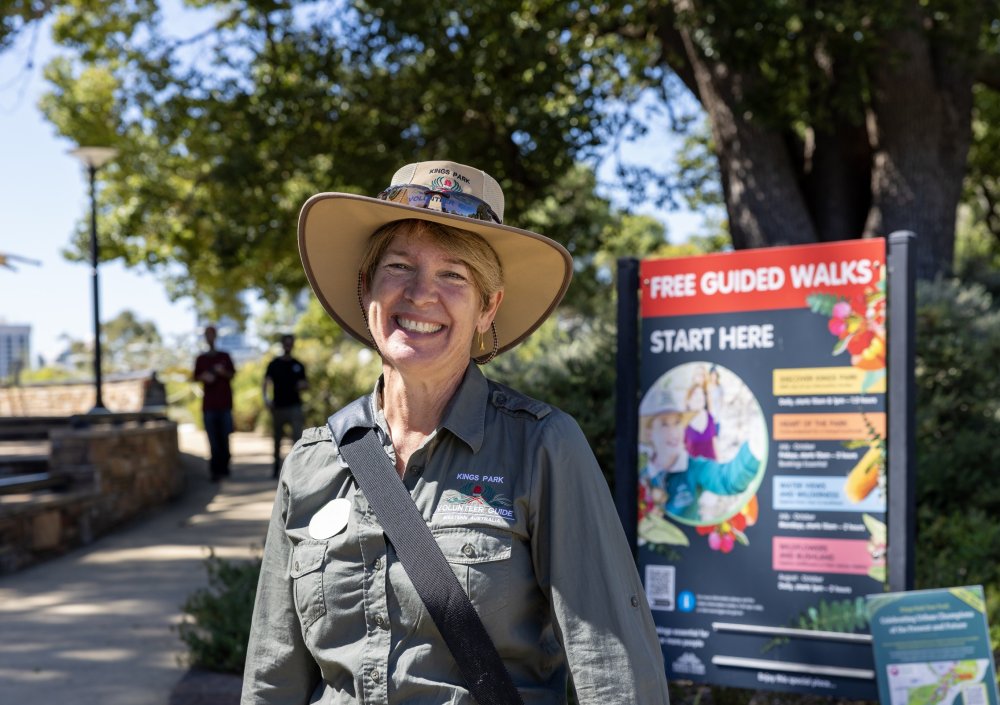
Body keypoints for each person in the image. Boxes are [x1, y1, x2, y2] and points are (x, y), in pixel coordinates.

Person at [242, 160, 670, 704]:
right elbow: (271, 674)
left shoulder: (542, 447)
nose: (421, 294)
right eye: (398, 267)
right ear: (365, 289)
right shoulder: (313, 461)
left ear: (487, 308)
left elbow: (613, 669)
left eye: (453, 275)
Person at [638, 384, 759, 522]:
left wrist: (754, 448)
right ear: (649, 433)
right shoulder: (642, 476)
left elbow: (726, 479)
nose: (673, 432)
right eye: (664, 424)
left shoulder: (694, 467)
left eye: (677, 422)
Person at [262, 333, 308, 478]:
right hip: (278, 407)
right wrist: (266, 400)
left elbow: (305, 384)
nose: (288, 345)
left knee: (296, 440)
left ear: (292, 345)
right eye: (286, 343)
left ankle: (296, 470)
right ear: (282, 344)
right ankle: (276, 468)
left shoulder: (298, 365)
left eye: (290, 343)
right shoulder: (274, 364)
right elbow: (265, 383)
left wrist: (302, 385)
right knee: (277, 440)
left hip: (294, 407)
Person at [193, 325, 235, 481]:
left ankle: (224, 467)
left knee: (224, 438)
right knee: (213, 441)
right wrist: (205, 376)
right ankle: (215, 471)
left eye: (212, 334)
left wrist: (221, 372)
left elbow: (232, 374)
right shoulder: (201, 359)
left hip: (224, 404)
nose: (209, 337)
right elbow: (196, 377)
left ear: (215, 336)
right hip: (209, 406)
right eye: (207, 334)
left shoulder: (225, 356)